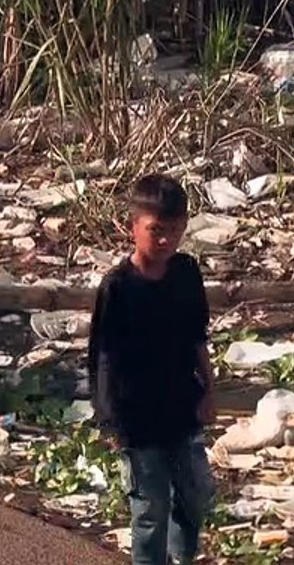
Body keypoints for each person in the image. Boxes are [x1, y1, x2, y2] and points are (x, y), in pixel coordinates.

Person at [87, 173, 216, 565]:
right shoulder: (118, 287)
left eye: (175, 231)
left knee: (195, 494)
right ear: (134, 228)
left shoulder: (186, 274)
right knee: (149, 509)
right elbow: (103, 358)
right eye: (156, 230)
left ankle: (183, 556)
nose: (165, 241)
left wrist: (210, 391)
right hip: (137, 415)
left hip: (182, 405)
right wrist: (109, 421)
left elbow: (198, 337)